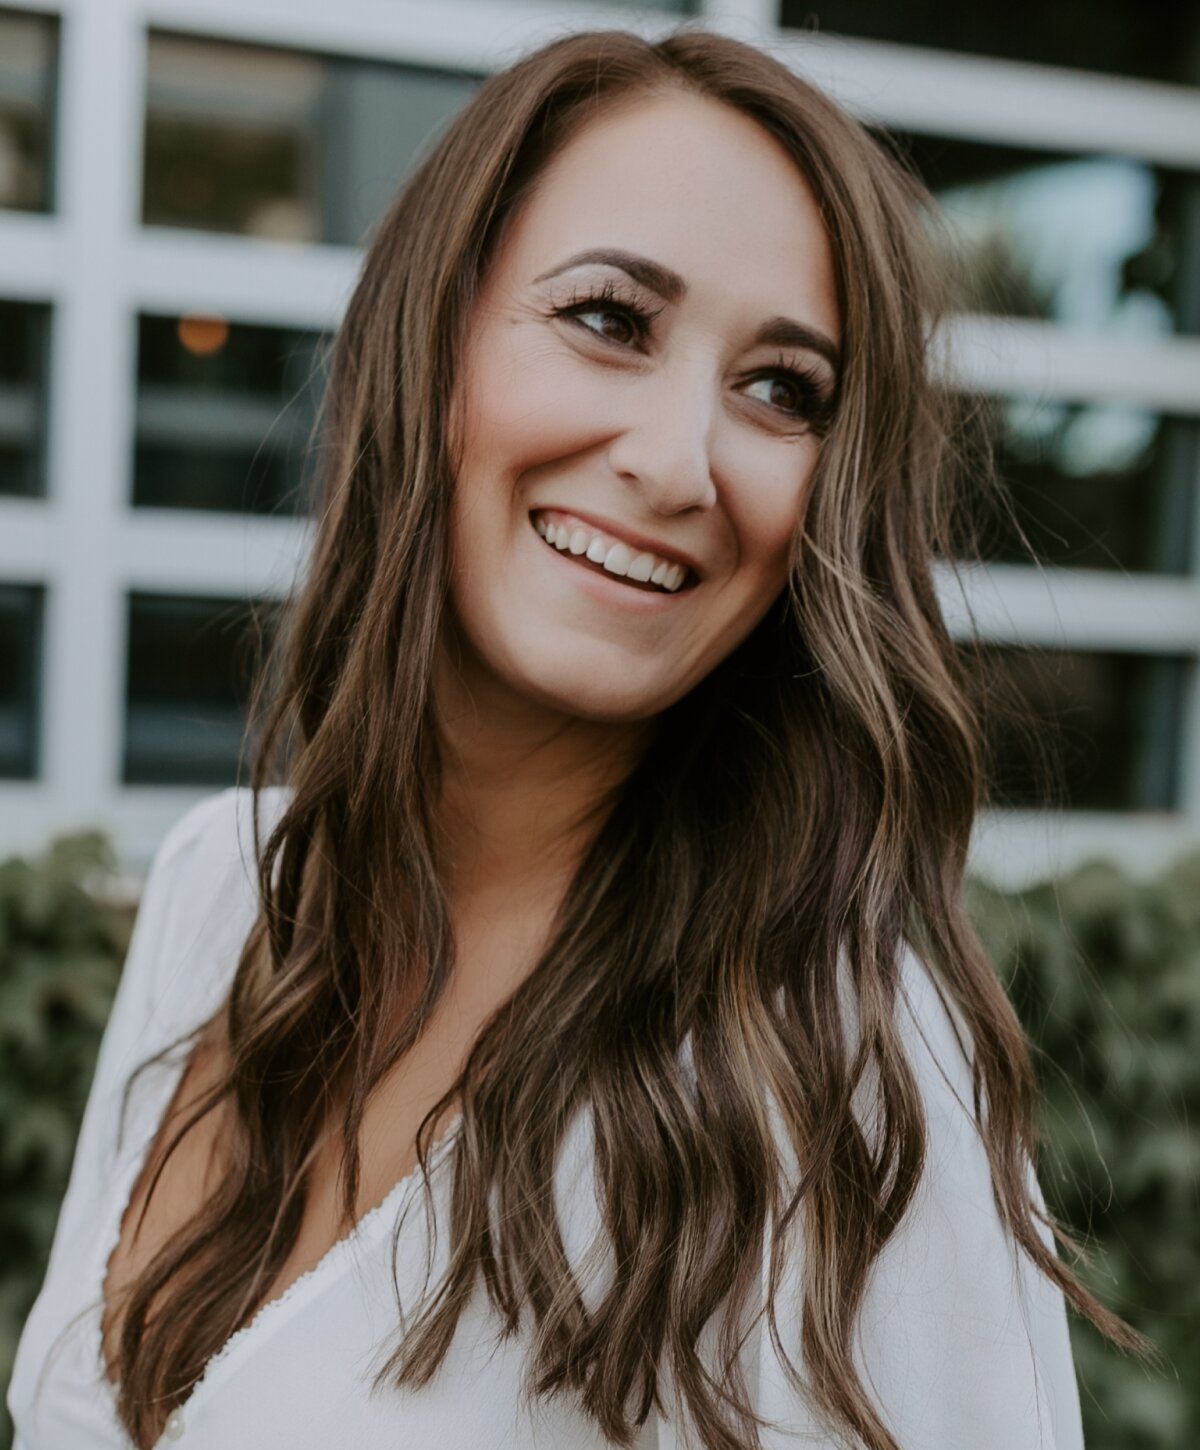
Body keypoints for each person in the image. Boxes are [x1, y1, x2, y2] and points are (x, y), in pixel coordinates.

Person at [7, 24, 1151, 1450]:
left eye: (782, 389)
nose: (679, 462)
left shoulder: (842, 1075)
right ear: (431, 338)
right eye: (611, 317)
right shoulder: (223, 890)